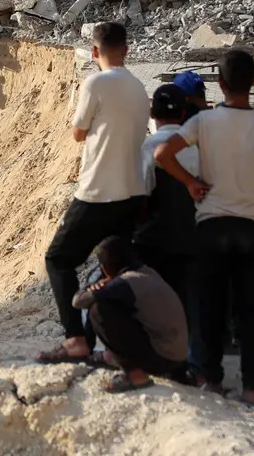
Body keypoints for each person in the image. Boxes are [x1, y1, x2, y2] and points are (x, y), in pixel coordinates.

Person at [155, 50, 254, 408]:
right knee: (252, 311)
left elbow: (163, 155)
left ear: (221, 83)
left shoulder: (204, 122)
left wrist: (190, 182)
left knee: (210, 307)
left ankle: (211, 380)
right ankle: (251, 386)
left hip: (211, 226)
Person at [39, 22, 149, 363]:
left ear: (95, 52)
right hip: (133, 193)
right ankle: (118, 345)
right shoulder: (139, 86)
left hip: (98, 190)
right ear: (127, 51)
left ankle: (76, 339)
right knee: (118, 268)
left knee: (58, 259)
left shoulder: (96, 82)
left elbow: (78, 132)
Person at [73, 236, 188, 392]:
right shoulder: (147, 273)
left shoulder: (125, 283)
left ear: (105, 268)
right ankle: (111, 357)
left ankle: (135, 376)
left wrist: (94, 286)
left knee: (99, 310)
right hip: (178, 357)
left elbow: (78, 301)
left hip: (163, 358)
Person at [137, 84, 198, 311]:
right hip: (194, 237)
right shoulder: (199, 146)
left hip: (156, 240)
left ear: (152, 114)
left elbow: (140, 196)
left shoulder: (145, 148)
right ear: (184, 113)